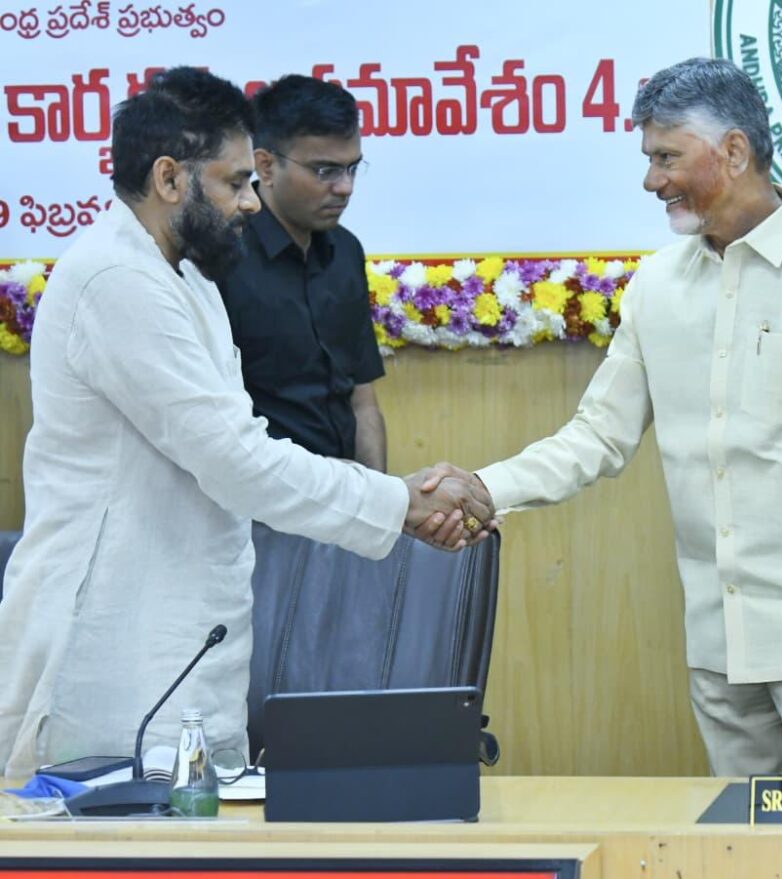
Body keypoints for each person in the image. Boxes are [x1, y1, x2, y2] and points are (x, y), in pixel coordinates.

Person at [429, 58, 782, 775]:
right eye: (649, 158)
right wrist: (481, 488)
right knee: (738, 851)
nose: (651, 179)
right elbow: (597, 435)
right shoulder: (658, 285)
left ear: (735, 152)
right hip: (719, 647)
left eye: (665, 157)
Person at [0, 67, 492, 777]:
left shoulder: (188, 274)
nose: (252, 203)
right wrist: (398, 502)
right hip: (115, 650)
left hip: (189, 641)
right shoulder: (114, 279)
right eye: (234, 182)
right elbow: (236, 456)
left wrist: (391, 500)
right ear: (170, 179)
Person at [218, 75, 386, 469]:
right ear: (266, 165)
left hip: (348, 496)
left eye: (352, 169)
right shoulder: (221, 256)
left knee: (474, 528)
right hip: (265, 504)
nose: (345, 188)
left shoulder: (346, 251)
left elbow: (362, 402)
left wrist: (382, 505)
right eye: (325, 171)